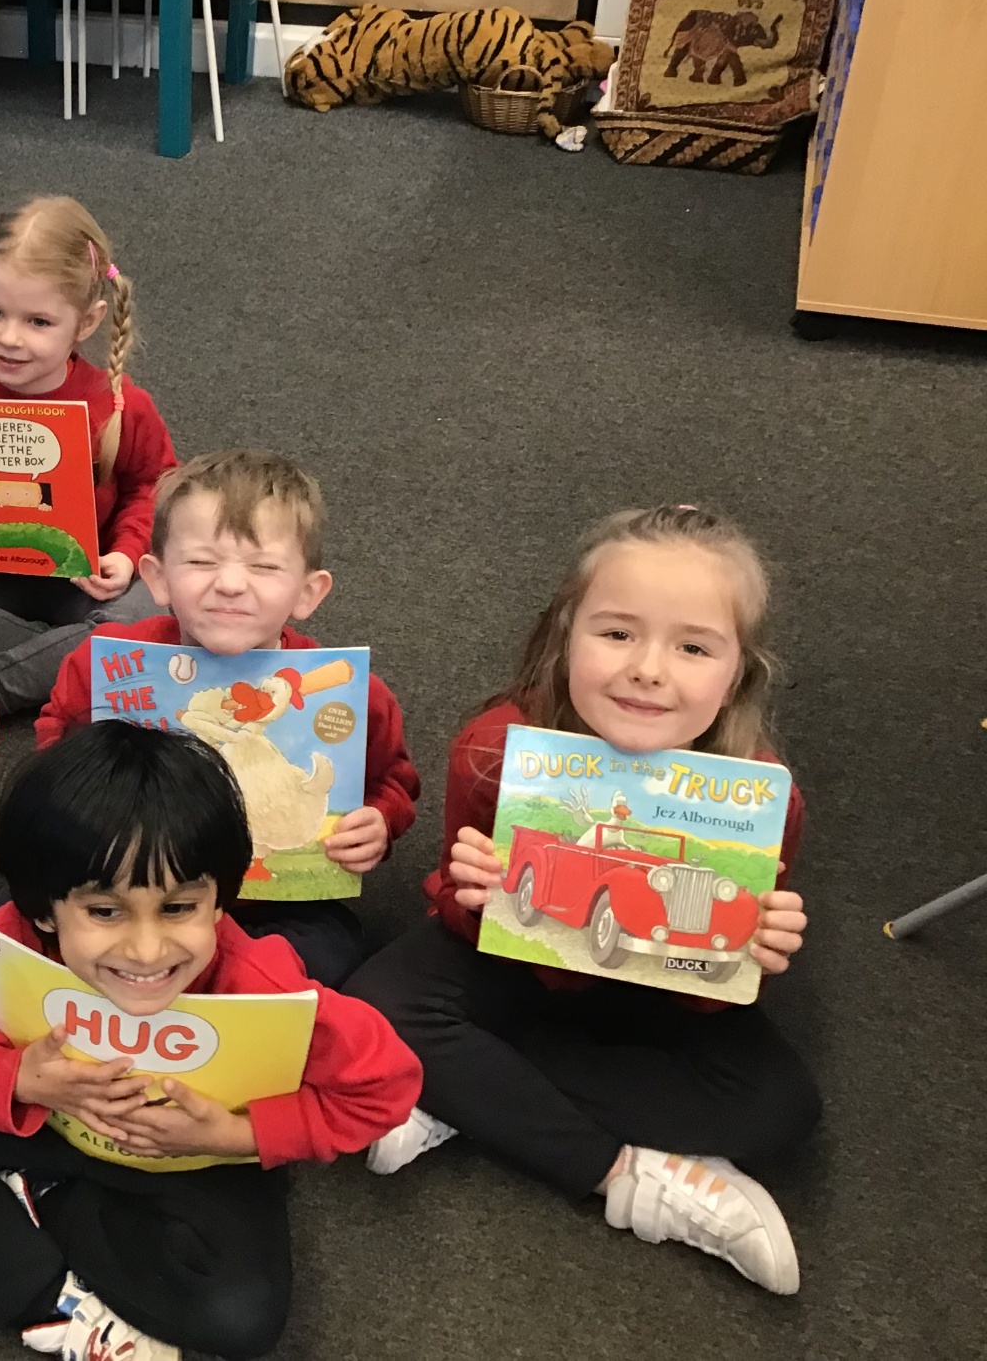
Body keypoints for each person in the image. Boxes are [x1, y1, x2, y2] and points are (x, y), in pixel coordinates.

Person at [0, 722, 420, 1361]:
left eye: (177, 909)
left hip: (190, 1160)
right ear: (45, 911)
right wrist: (19, 1079)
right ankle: (53, 1301)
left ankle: (40, 1201)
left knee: (241, 1322)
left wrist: (234, 1136)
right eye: (105, 912)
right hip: (41, 1125)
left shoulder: (264, 984)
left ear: (221, 903)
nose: (146, 951)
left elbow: (383, 1088)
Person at [344, 505, 819, 1294]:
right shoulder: (497, 750)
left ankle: (470, 1091)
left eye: (693, 647)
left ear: (736, 673)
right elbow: (462, 925)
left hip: (653, 995)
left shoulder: (766, 801)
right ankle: (626, 1177)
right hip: (513, 967)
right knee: (372, 1009)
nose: (649, 669)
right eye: (618, 633)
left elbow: (708, 994)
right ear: (566, 637)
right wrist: (475, 896)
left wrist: (750, 959)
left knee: (783, 1108)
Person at [32, 449, 419, 987]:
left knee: (329, 952)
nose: (231, 584)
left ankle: (207, 988)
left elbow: (392, 780)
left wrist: (378, 822)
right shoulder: (105, 663)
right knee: (27, 930)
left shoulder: (352, 693)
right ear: (158, 578)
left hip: (276, 902)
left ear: (308, 592)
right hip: (131, 890)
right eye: (202, 562)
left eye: (263, 566)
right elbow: (56, 744)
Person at [0, 195, 177, 716]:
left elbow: (152, 486)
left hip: (81, 581)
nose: (9, 338)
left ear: (87, 323)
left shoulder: (118, 404)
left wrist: (126, 552)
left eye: (39, 322)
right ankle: (64, 655)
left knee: (144, 615)